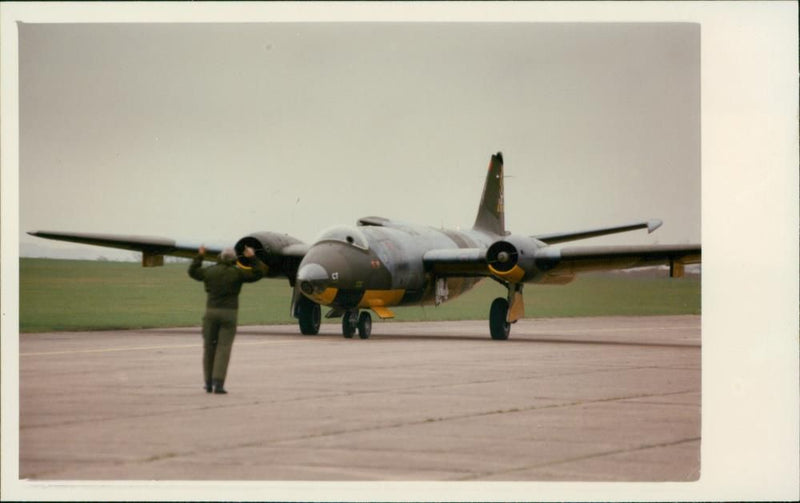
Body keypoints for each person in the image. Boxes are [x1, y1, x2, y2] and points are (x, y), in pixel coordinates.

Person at [188, 245, 267, 394]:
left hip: (211, 313)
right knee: (223, 349)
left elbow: (192, 272)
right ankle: (219, 384)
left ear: (220, 257)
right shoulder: (237, 273)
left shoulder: (209, 271)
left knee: (209, 348)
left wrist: (200, 256)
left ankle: (208, 383)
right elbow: (258, 274)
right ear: (234, 259)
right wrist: (252, 257)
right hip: (229, 314)